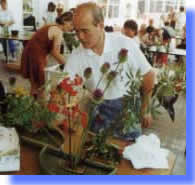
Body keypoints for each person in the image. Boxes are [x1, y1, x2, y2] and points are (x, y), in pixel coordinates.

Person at [64, 2, 155, 141]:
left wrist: (145, 108)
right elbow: (64, 84)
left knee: (127, 153)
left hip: (127, 110)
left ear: (100, 25)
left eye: (84, 30)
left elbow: (149, 75)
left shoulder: (124, 44)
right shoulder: (77, 54)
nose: (80, 37)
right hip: (97, 113)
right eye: (76, 31)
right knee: (97, 152)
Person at [21, 12, 74, 98]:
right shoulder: (58, 31)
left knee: (34, 85)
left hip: (28, 52)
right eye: (71, 24)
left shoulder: (51, 25)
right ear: (64, 20)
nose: (72, 28)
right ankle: (38, 107)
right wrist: (67, 64)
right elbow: (55, 52)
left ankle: (32, 105)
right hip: (36, 56)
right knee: (41, 87)